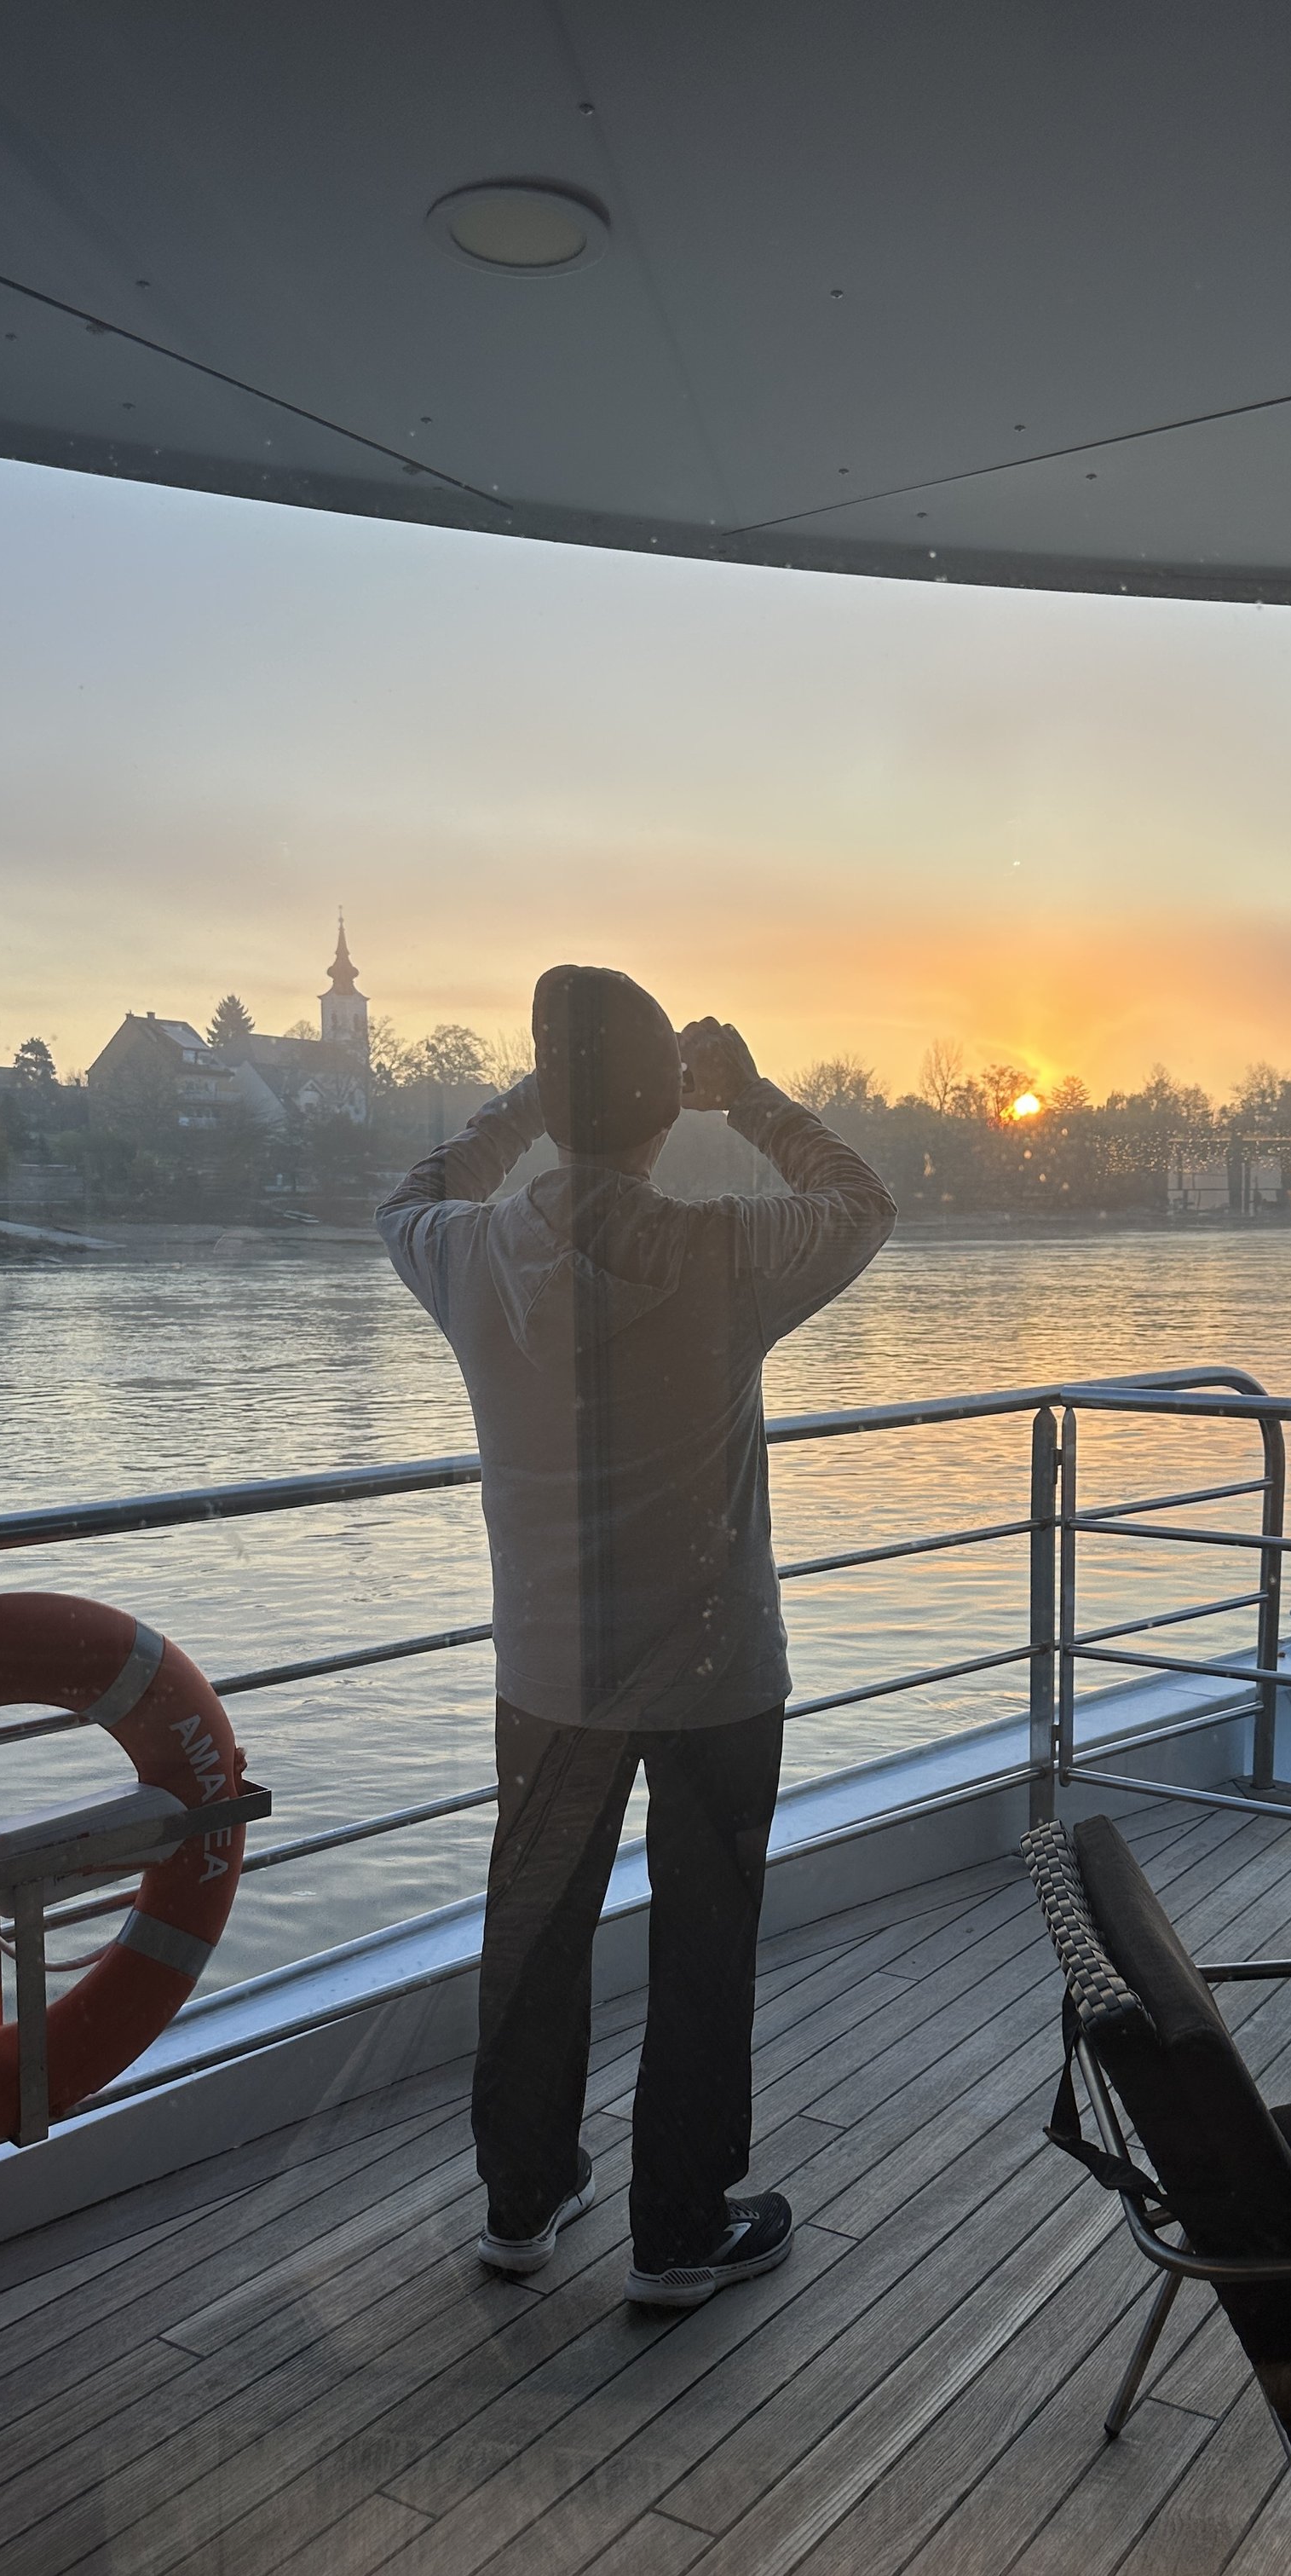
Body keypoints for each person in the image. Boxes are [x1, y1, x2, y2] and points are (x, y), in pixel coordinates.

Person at [377, 966, 895, 2307]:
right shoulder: (713, 1257)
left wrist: (525, 1102)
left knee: (535, 1934)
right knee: (702, 1945)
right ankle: (678, 2227)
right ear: (670, 1113)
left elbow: (410, 1190)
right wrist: (758, 1094)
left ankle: (524, 2194)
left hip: (547, 1677)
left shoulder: (473, 1254)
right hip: (717, 1671)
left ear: (552, 1108)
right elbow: (860, 1202)